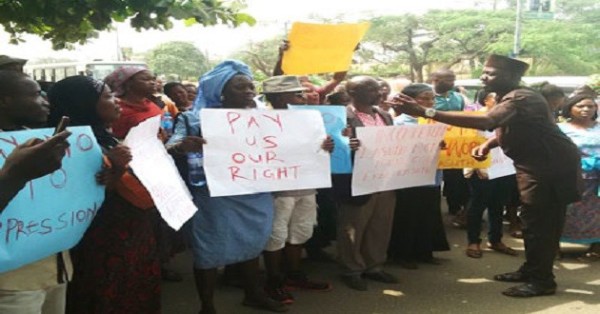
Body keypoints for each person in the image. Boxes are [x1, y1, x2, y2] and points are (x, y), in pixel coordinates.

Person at [391, 54, 581, 297]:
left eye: (491, 73)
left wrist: (426, 111)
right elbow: (511, 127)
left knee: (542, 225)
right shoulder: (508, 98)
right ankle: (532, 269)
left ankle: (542, 281)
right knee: (533, 223)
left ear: (512, 77)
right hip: (535, 167)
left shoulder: (523, 97)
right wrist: (489, 145)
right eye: (484, 71)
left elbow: (488, 120)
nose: (483, 76)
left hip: (550, 169)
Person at [166, 60, 288, 314]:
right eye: (239, 87)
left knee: (252, 243)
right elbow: (169, 146)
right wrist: (183, 146)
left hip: (255, 193)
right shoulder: (192, 118)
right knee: (209, 247)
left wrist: (320, 145)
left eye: (250, 86)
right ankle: (207, 306)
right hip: (214, 194)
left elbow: (289, 147)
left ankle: (253, 294)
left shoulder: (264, 119)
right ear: (220, 91)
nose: (248, 92)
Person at [46, 75, 161, 313]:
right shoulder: (66, 147)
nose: (116, 101)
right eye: (108, 96)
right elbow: (82, 193)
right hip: (101, 241)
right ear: (83, 103)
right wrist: (116, 170)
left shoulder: (105, 137)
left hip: (130, 232)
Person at [0, 70, 72, 314]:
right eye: (35, 94)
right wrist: (15, 175)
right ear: (4, 100)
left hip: (53, 267)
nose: (45, 100)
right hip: (10, 280)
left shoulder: (36, 140)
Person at [260, 75, 334, 305]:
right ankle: (274, 281)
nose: (302, 97)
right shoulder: (261, 120)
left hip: (306, 184)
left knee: (300, 231)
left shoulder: (307, 119)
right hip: (278, 189)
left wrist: (326, 146)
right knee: (276, 234)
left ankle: (293, 275)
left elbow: (316, 147)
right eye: (297, 94)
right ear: (281, 96)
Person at [332, 76, 398, 291]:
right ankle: (351, 269)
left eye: (379, 88)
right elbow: (329, 144)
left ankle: (374, 266)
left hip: (384, 179)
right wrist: (345, 146)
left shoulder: (386, 116)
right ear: (353, 93)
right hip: (355, 181)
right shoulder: (341, 116)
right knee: (353, 226)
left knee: (380, 225)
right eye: (371, 89)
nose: (379, 93)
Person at [388, 83, 450, 268]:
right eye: (425, 98)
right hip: (407, 178)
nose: (430, 102)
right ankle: (402, 255)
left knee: (428, 214)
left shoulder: (437, 122)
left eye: (432, 98)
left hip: (431, 176)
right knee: (407, 216)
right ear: (410, 100)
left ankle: (425, 252)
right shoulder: (397, 123)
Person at [462, 90, 518, 259]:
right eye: (498, 98)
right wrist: (475, 166)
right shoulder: (475, 118)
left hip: (506, 168)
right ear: (487, 100)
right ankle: (473, 241)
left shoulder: (511, 119)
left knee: (498, 205)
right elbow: (466, 143)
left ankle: (495, 240)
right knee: (478, 205)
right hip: (482, 168)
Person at [557, 94, 600, 261]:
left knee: (596, 214)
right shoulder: (560, 129)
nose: (586, 110)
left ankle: (596, 248)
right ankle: (554, 247)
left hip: (596, 181)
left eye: (590, 106)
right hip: (570, 177)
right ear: (570, 108)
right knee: (565, 212)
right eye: (581, 106)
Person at [431, 69, 469, 222]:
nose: (452, 83)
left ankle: (455, 207)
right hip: (434, 144)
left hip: (455, 145)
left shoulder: (458, 98)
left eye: (453, 79)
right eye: (447, 79)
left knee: (455, 176)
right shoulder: (428, 97)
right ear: (435, 79)